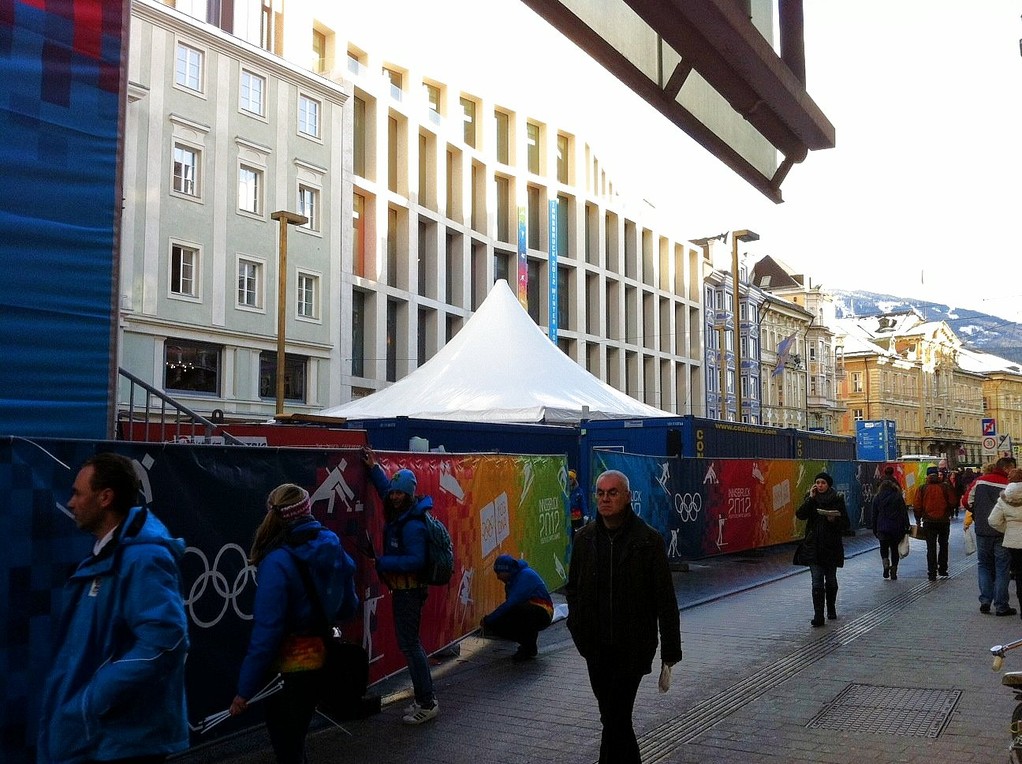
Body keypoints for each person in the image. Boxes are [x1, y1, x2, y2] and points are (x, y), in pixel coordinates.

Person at [37, 452, 190, 764]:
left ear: (105, 497)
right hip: (99, 741)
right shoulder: (109, 555)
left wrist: (93, 699)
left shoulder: (144, 557)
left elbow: (165, 640)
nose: (70, 503)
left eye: (78, 493)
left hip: (123, 745)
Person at [230, 483, 358, 764]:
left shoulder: (276, 561)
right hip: (322, 657)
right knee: (297, 738)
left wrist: (244, 690)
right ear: (307, 509)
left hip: (286, 669)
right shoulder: (332, 545)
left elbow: (267, 632)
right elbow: (350, 606)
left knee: (287, 745)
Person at [565, 469, 683, 764]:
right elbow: (574, 590)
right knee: (612, 717)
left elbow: (665, 599)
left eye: (613, 493)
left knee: (616, 715)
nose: (605, 499)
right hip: (596, 647)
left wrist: (670, 648)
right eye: (601, 493)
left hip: (632, 647)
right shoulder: (584, 539)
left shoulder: (648, 541)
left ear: (628, 497)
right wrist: (578, 630)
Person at [363, 447, 439, 725]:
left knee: (411, 646)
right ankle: (423, 699)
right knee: (410, 645)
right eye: (394, 492)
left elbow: (416, 560)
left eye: (399, 493)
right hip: (404, 590)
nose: (394, 497)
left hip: (409, 591)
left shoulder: (413, 525)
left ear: (409, 495)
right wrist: (374, 469)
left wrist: (384, 563)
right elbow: (385, 491)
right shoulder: (402, 513)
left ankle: (427, 702)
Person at [795, 472, 850, 627]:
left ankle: (831, 608)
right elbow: (800, 515)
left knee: (831, 580)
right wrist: (810, 499)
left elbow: (846, 524)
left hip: (831, 546)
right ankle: (818, 615)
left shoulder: (837, 499)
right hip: (814, 546)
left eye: (823, 483)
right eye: (817, 482)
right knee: (816, 581)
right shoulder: (811, 499)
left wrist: (834, 520)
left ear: (828, 485)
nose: (820, 485)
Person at [968, 455, 1018, 616]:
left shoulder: (980, 481)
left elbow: (966, 502)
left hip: (983, 530)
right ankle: (1001, 605)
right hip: (1003, 531)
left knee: (984, 565)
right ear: (1006, 468)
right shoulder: (1009, 485)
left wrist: (978, 512)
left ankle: (985, 600)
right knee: (1002, 568)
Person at [480, 554, 554, 661]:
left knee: (517, 612)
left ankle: (528, 646)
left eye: (499, 573)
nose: (498, 577)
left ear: (506, 570)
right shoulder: (512, 580)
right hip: (535, 612)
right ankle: (528, 645)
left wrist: (489, 619)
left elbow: (511, 603)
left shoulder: (525, 576)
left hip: (544, 612)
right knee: (509, 618)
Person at [988, 468, 1022, 619]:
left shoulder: (1004, 498)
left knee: (1019, 577)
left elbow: (993, 521)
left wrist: (1009, 530)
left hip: (1013, 543)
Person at [913, 465, 955, 581]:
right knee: (943, 544)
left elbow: (917, 505)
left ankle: (932, 572)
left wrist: (918, 519)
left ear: (927, 476)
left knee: (930, 547)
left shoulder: (922, 488)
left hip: (928, 521)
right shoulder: (945, 487)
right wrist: (949, 512)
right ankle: (943, 569)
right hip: (943, 521)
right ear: (937, 474)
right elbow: (952, 501)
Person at [871, 472, 910, 580]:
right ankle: (894, 569)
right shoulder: (898, 497)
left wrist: (875, 529)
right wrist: (906, 526)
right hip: (896, 528)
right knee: (894, 549)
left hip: (882, 528)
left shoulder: (877, 498)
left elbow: (874, 515)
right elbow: (903, 513)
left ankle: (885, 564)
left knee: (883, 548)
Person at [568, 469, 588, 536]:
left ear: (574, 480)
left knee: (576, 534)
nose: (569, 481)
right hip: (567, 517)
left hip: (576, 518)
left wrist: (586, 514)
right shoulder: (564, 490)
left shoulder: (578, 491)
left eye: (571, 479)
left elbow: (583, 503)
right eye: (568, 479)